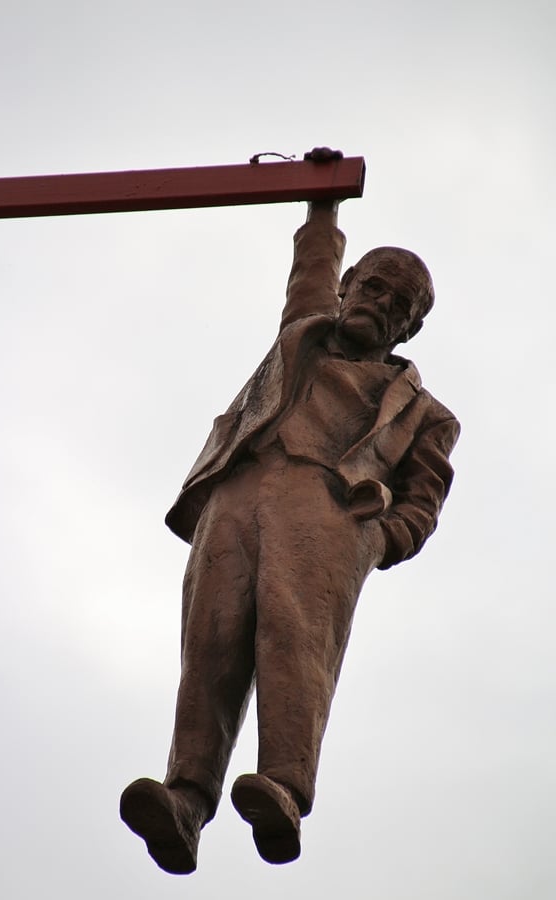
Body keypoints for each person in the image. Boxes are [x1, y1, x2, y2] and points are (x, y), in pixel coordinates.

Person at [120, 153, 460, 875]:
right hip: (240, 493)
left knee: (293, 641)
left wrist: (375, 537)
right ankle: (185, 799)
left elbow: (424, 501)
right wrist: (322, 207)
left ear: (409, 328)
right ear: (346, 290)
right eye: (370, 285)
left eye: (398, 303)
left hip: (329, 512)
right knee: (211, 642)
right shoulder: (303, 336)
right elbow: (308, 269)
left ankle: (281, 786)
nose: (379, 302)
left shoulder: (427, 415)